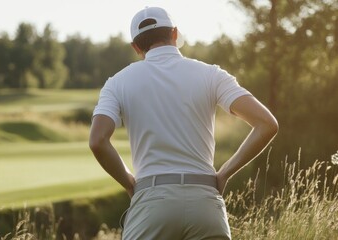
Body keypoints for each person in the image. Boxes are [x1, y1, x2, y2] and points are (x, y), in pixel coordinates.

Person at [89, 6, 278, 240]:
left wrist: (130, 183)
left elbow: (97, 141)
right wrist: (224, 174)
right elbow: (267, 124)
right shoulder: (212, 74)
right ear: (175, 34)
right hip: (205, 202)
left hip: (152, 201)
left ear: (136, 47)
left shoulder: (117, 83)